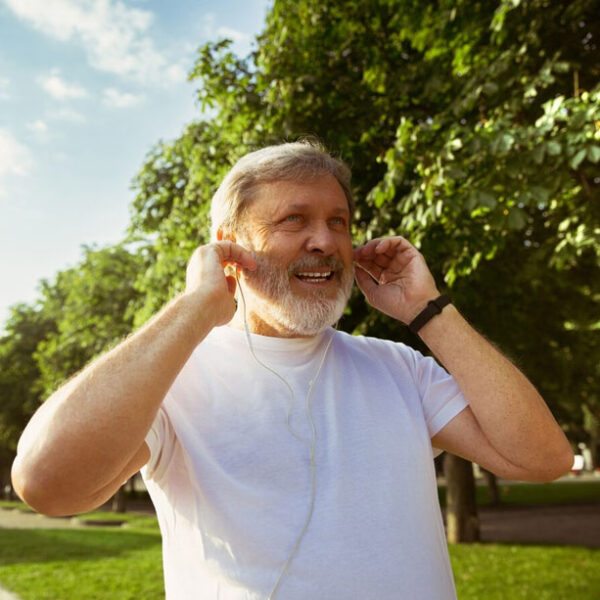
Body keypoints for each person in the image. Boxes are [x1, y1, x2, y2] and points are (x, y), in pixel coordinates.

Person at [12, 141, 573, 599]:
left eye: (339, 222)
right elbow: (47, 484)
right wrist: (194, 310)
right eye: (294, 220)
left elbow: (542, 458)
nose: (326, 241)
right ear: (230, 247)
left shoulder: (400, 368)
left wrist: (426, 311)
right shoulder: (171, 379)